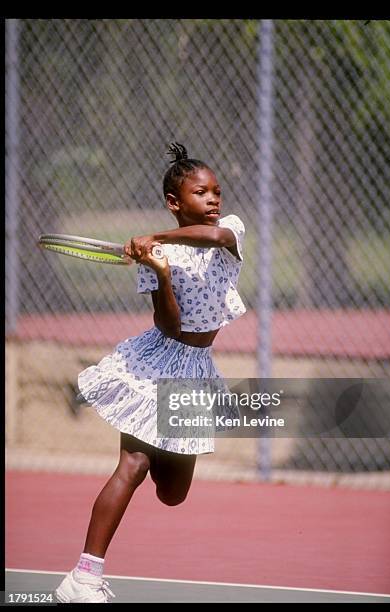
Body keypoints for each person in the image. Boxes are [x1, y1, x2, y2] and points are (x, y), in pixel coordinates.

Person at [54, 142, 246, 603]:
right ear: (175, 202)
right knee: (133, 464)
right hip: (158, 361)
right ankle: (82, 577)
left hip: (196, 371)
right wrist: (159, 270)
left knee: (173, 493)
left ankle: (160, 452)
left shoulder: (229, 231)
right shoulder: (157, 256)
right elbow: (169, 324)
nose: (214, 200)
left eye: (217, 191)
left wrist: (154, 238)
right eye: (202, 193)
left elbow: (215, 238)